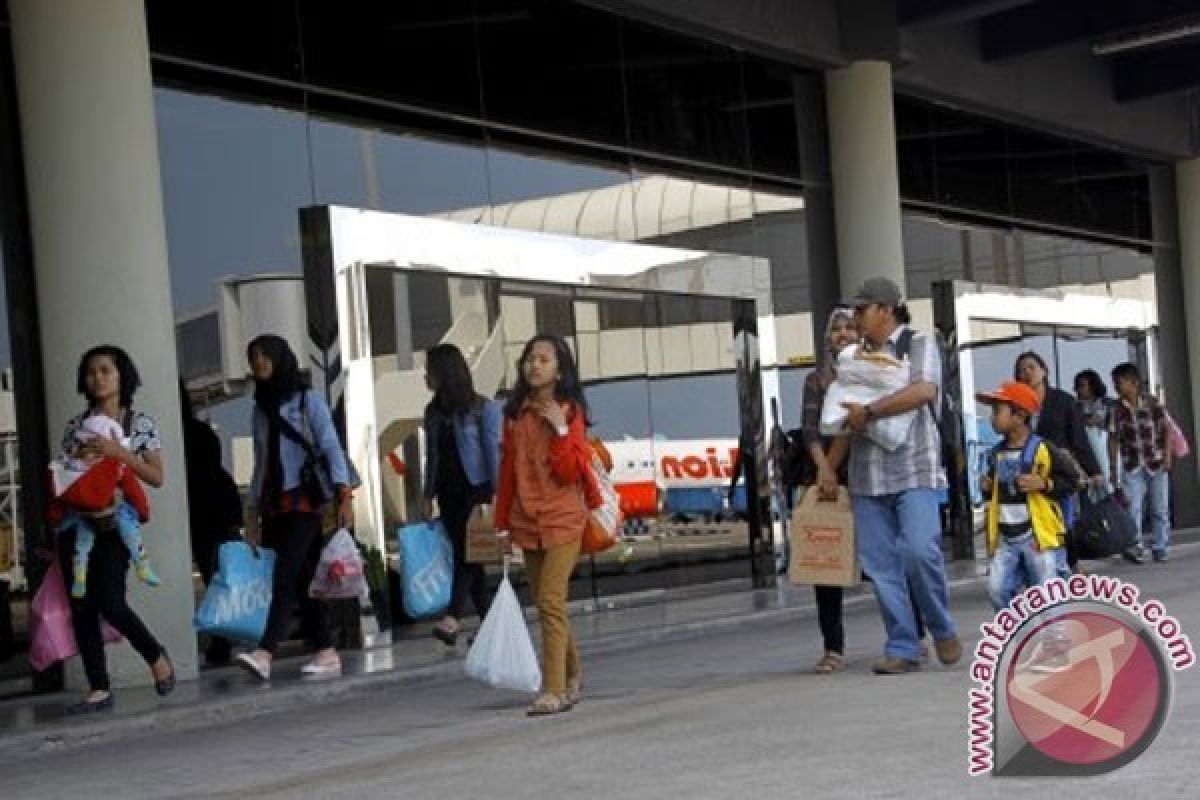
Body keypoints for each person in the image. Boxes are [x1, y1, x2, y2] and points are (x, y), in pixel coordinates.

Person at [820, 278, 961, 676]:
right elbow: (842, 409)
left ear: (885, 309)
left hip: (915, 467)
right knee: (881, 566)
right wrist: (830, 463)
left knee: (919, 551)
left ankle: (940, 625)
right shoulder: (853, 354)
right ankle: (903, 645)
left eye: (862, 311)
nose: (856, 319)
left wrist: (873, 411)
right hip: (866, 476)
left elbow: (924, 392)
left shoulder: (917, 342)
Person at [54, 345, 175, 713]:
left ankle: (156, 656)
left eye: (106, 370)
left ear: (122, 375)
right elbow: (63, 479)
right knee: (82, 607)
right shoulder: (76, 427)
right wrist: (78, 460)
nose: (98, 378)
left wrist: (118, 453)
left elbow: (156, 477)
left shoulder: (140, 423)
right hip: (79, 524)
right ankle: (99, 687)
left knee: (111, 601)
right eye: (91, 372)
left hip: (116, 526)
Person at [236, 334, 354, 681]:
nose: (259, 363)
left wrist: (344, 494)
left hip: (305, 499)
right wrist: (252, 511)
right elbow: (259, 462)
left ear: (280, 358)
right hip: (275, 504)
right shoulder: (260, 408)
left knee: (285, 576)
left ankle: (265, 652)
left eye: (265, 355)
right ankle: (327, 651)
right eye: (253, 357)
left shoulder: (307, 400)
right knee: (305, 578)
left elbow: (331, 446)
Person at [495, 334, 601, 715]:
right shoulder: (515, 416)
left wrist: (559, 430)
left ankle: (552, 688)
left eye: (543, 359)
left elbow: (570, 470)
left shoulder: (570, 413)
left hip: (563, 518)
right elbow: (507, 471)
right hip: (527, 519)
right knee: (545, 602)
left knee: (551, 602)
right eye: (529, 359)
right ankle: (573, 678)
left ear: (559, 370)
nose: (534, 366)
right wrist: (502, 523)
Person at [420, 343, 502, 646]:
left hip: (476, 489)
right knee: (472, 558)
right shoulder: (432, 412)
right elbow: (432, 455)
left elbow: (492, 451)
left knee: (467, 555)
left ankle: (453, 617)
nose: (425, 376)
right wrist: (427, 494)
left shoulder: (481, 408)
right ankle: (494, 627)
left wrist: (497, 494)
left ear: (444, 372)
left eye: (429, 370)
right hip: (447, 491)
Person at [977, 382, 1076, 610]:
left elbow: (1072, 480)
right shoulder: (996, 454)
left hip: (1038, 537)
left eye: (997, 411)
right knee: (997, 589)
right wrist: (987, 487)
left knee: (1048, 596)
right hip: (1006, 537)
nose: (992, 418)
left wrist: (1044, 483)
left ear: (1020, 415)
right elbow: (995, 494)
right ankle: (1018, 633)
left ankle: (1056, 640)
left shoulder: (1043, 449)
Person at [1014, 351, 1100, 577]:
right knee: (1036, 523)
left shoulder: (1063, 402)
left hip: (1059, 472)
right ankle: (1046, 568)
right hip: (1029, 473)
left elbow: (1079, 439)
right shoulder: (1017, 406)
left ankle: (1068, 565)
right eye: (1021, 370)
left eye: (1031, 367)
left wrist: (1094, 471)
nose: (1026, 373)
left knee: (1064, 520)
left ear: (1044, 371)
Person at [53, 413, 157, 598]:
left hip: (83, 515)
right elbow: (134, 491)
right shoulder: (116, 466)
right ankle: (142, 566)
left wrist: (56, 520)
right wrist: (143, 512)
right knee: (130, 531)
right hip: (113, 513)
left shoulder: (70, 467)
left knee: (82, 543)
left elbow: (60, 497)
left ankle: (80, 577)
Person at [180, 381, 243, 666]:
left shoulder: (170, 436)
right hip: (218, 507)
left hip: (198, 510)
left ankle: (219, 640)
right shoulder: (203, 433)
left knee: (210, 574)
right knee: (217, 575)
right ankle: (223, 637)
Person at [1109, 362, 1172, 563]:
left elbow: (1166, 430)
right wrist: (1113, 468)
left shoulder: (1153, 403)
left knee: (1159, 507)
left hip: (1156, 462)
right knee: (1133, 507)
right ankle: (1135, 546)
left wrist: (1168, 456)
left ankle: (1160, 546)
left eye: (1119, 382)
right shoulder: (1116, 410)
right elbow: (1113, 439)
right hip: (1132, 464)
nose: (1117, 387)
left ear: (1133, 382)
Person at [1075, 369, 1116, 489]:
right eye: (1077, 386)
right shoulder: (1075, 406)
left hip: (1107, 450)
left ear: (1093, 385)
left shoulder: (1109, 404)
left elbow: (1115, 426)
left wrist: (1099, 422)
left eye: (1082, 386)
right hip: (1087, 452)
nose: (1079, 390)